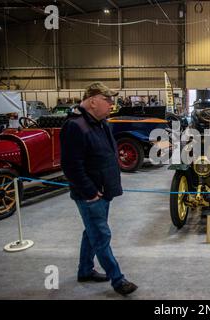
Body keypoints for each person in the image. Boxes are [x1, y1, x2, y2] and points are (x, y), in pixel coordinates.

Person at [60, 82, 138, 296]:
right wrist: (90, 192)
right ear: (93, 100)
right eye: (108, 100)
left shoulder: (100, 122)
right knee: (101, 236)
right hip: (91, 195)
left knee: (92, 232)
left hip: (103, 191)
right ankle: (118, 279)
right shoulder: (75, 126)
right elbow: (71, 166)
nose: (112, 105)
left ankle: (85, 270)